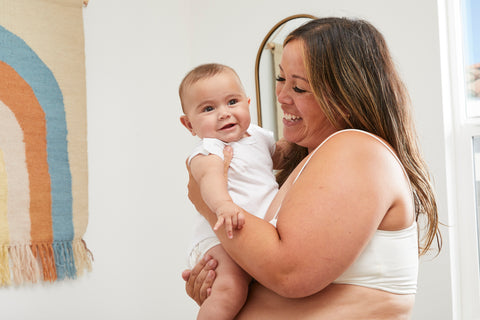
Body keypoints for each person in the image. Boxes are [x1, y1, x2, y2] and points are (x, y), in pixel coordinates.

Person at [182, 17, 442, 319]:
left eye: (299, 88)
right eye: (281, 80)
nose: (281, 96)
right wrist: (222, 286)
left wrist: (206, 201)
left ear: (346, 97)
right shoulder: (315, 158)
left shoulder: (355, 150)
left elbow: (289, 273)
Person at [179, 63, 289, 319]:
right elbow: (209, 178)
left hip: (255, 234)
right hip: (220, 237)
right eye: (208, 108)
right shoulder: (208, 149)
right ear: (189, 125)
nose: (224, 114)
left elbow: (281, 157)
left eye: (232, 102)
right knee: (230, 289)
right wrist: (223, 206)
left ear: (247, 103)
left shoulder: (259, 137)